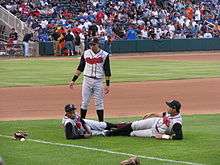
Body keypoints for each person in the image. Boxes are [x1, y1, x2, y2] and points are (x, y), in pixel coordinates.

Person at [69, 37, 111, 122]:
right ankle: (82, 122)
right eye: (90, 44)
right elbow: (80, 67)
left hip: (98, 81)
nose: (92, 46)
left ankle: (101, 123)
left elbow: (107, 70)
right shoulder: (86, 53)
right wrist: (73, 80)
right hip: (87, 80)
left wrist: (107, 84)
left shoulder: (104, 55)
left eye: (93, 44)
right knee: (85, 102)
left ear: (98, 44)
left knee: (99, 103)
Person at [105, 100, 183, 140]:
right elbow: (162, 114)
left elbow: (179, 136)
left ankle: (114, 131)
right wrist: (152, 114)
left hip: (154, 132)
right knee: (134, 124)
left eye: (169, 106)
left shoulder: (177, 123)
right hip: (154, 121)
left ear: (174, 109)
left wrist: (164, 136)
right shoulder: (171, 113)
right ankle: (112, 132)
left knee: (133, 133)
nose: (167, 107)